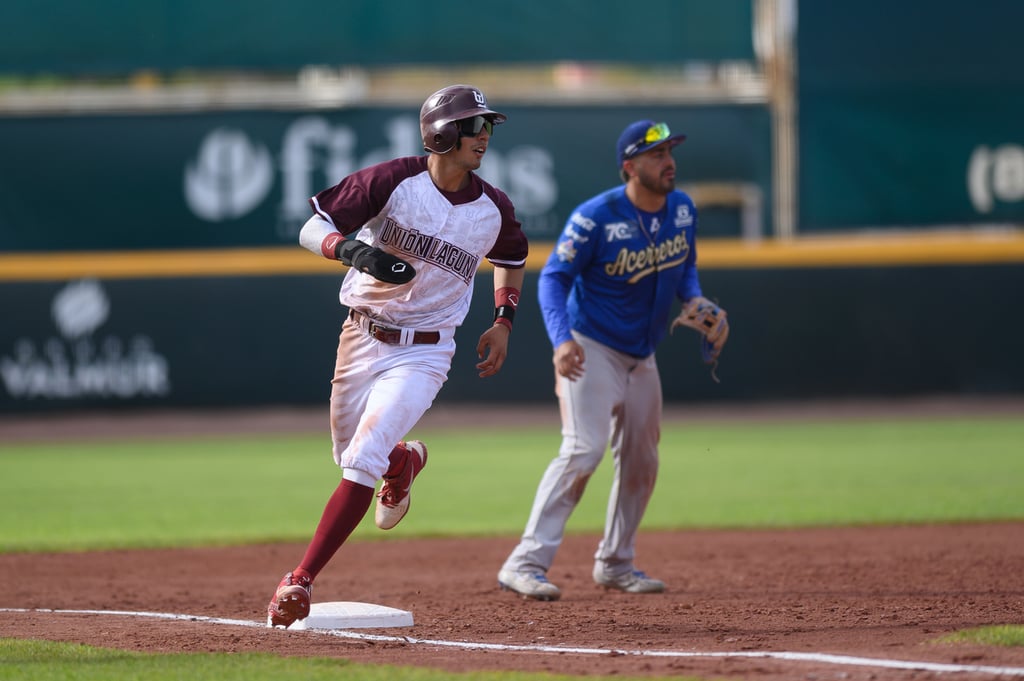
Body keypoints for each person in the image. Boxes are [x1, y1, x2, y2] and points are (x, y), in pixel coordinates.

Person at [267, 84, 528, 627]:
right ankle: (404, 462)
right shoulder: (395, 180)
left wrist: (504, 320)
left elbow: (512, 257)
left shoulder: (492, 207)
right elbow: (312, 225)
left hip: (426, 352)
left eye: (488, 127)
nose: (484, 136)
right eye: (474, 126)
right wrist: (352, 249)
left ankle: (299, 581)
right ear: (442, 131)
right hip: (361, 337)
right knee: (351, 456)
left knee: (361, 459)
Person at [497, 119, 728, 600]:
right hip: (592, 347)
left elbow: (685, 267)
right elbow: (553, 278)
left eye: (670, 152)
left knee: (643, 458)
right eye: (657, 154)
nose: (669, 162)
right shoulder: (596, 216)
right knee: (584, 449)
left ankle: (617, 562)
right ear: (630, 166)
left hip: (642, 356)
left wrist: (694, 301)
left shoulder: (682, 209)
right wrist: (562, 341)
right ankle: (525, 562)